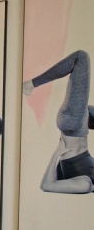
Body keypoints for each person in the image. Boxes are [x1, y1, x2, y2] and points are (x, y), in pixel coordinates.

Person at [22, 49, 94, 193]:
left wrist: (57, 152)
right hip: (82, 122)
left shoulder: (85, 185)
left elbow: (46, 186)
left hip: (73, 124)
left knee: (80, 58)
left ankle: (29, 86)